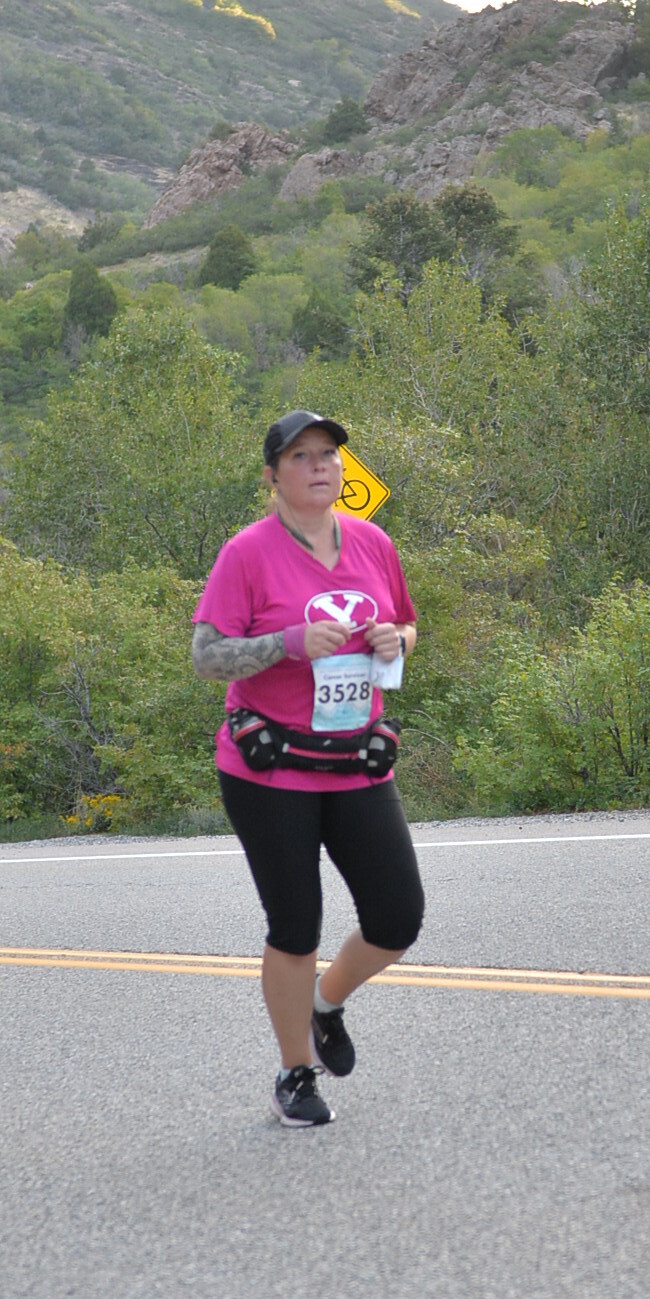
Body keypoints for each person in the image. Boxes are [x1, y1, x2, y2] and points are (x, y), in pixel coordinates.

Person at [192, 410, 424, 1126]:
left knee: (397, 917)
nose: (319, 465)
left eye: (328, 454)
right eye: (300, 456)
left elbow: (408, 624)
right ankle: (295, 1073)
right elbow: (207, 656)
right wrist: (289, 642)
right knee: (296, 926)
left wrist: (395, 639)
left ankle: (326, 1005)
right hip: (270, 767)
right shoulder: (247, 554)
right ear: (272, 475)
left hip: (356, 758)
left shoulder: (374, 542)